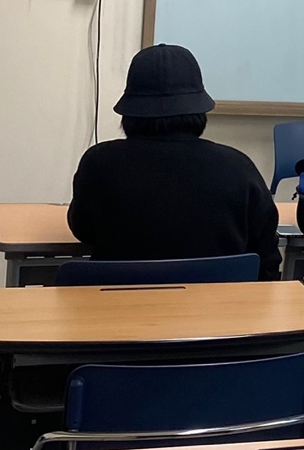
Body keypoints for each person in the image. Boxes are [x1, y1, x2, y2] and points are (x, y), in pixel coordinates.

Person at [67, 44, 281, 279]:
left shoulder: (98, 164)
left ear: (130, 111)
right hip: (217, 302)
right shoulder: (239, 168)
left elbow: (83, 231)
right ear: (199, 109)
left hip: (117, 299)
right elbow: (266, 259)